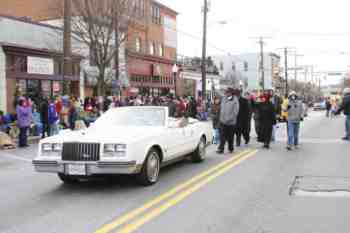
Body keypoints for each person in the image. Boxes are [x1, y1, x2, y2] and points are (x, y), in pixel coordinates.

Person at [217, 88, 240, 154]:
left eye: (228, 92)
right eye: (226, 92)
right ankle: (221, 149)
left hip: (231, 122)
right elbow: (219, 93)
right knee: (222, 136)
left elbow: (236, 112)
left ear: (231, 93)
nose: (226, 93)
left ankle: (230, 148)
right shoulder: (224, 98)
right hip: (222, 121)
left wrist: (230, 119)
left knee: (230, 136)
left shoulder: (235, 100)